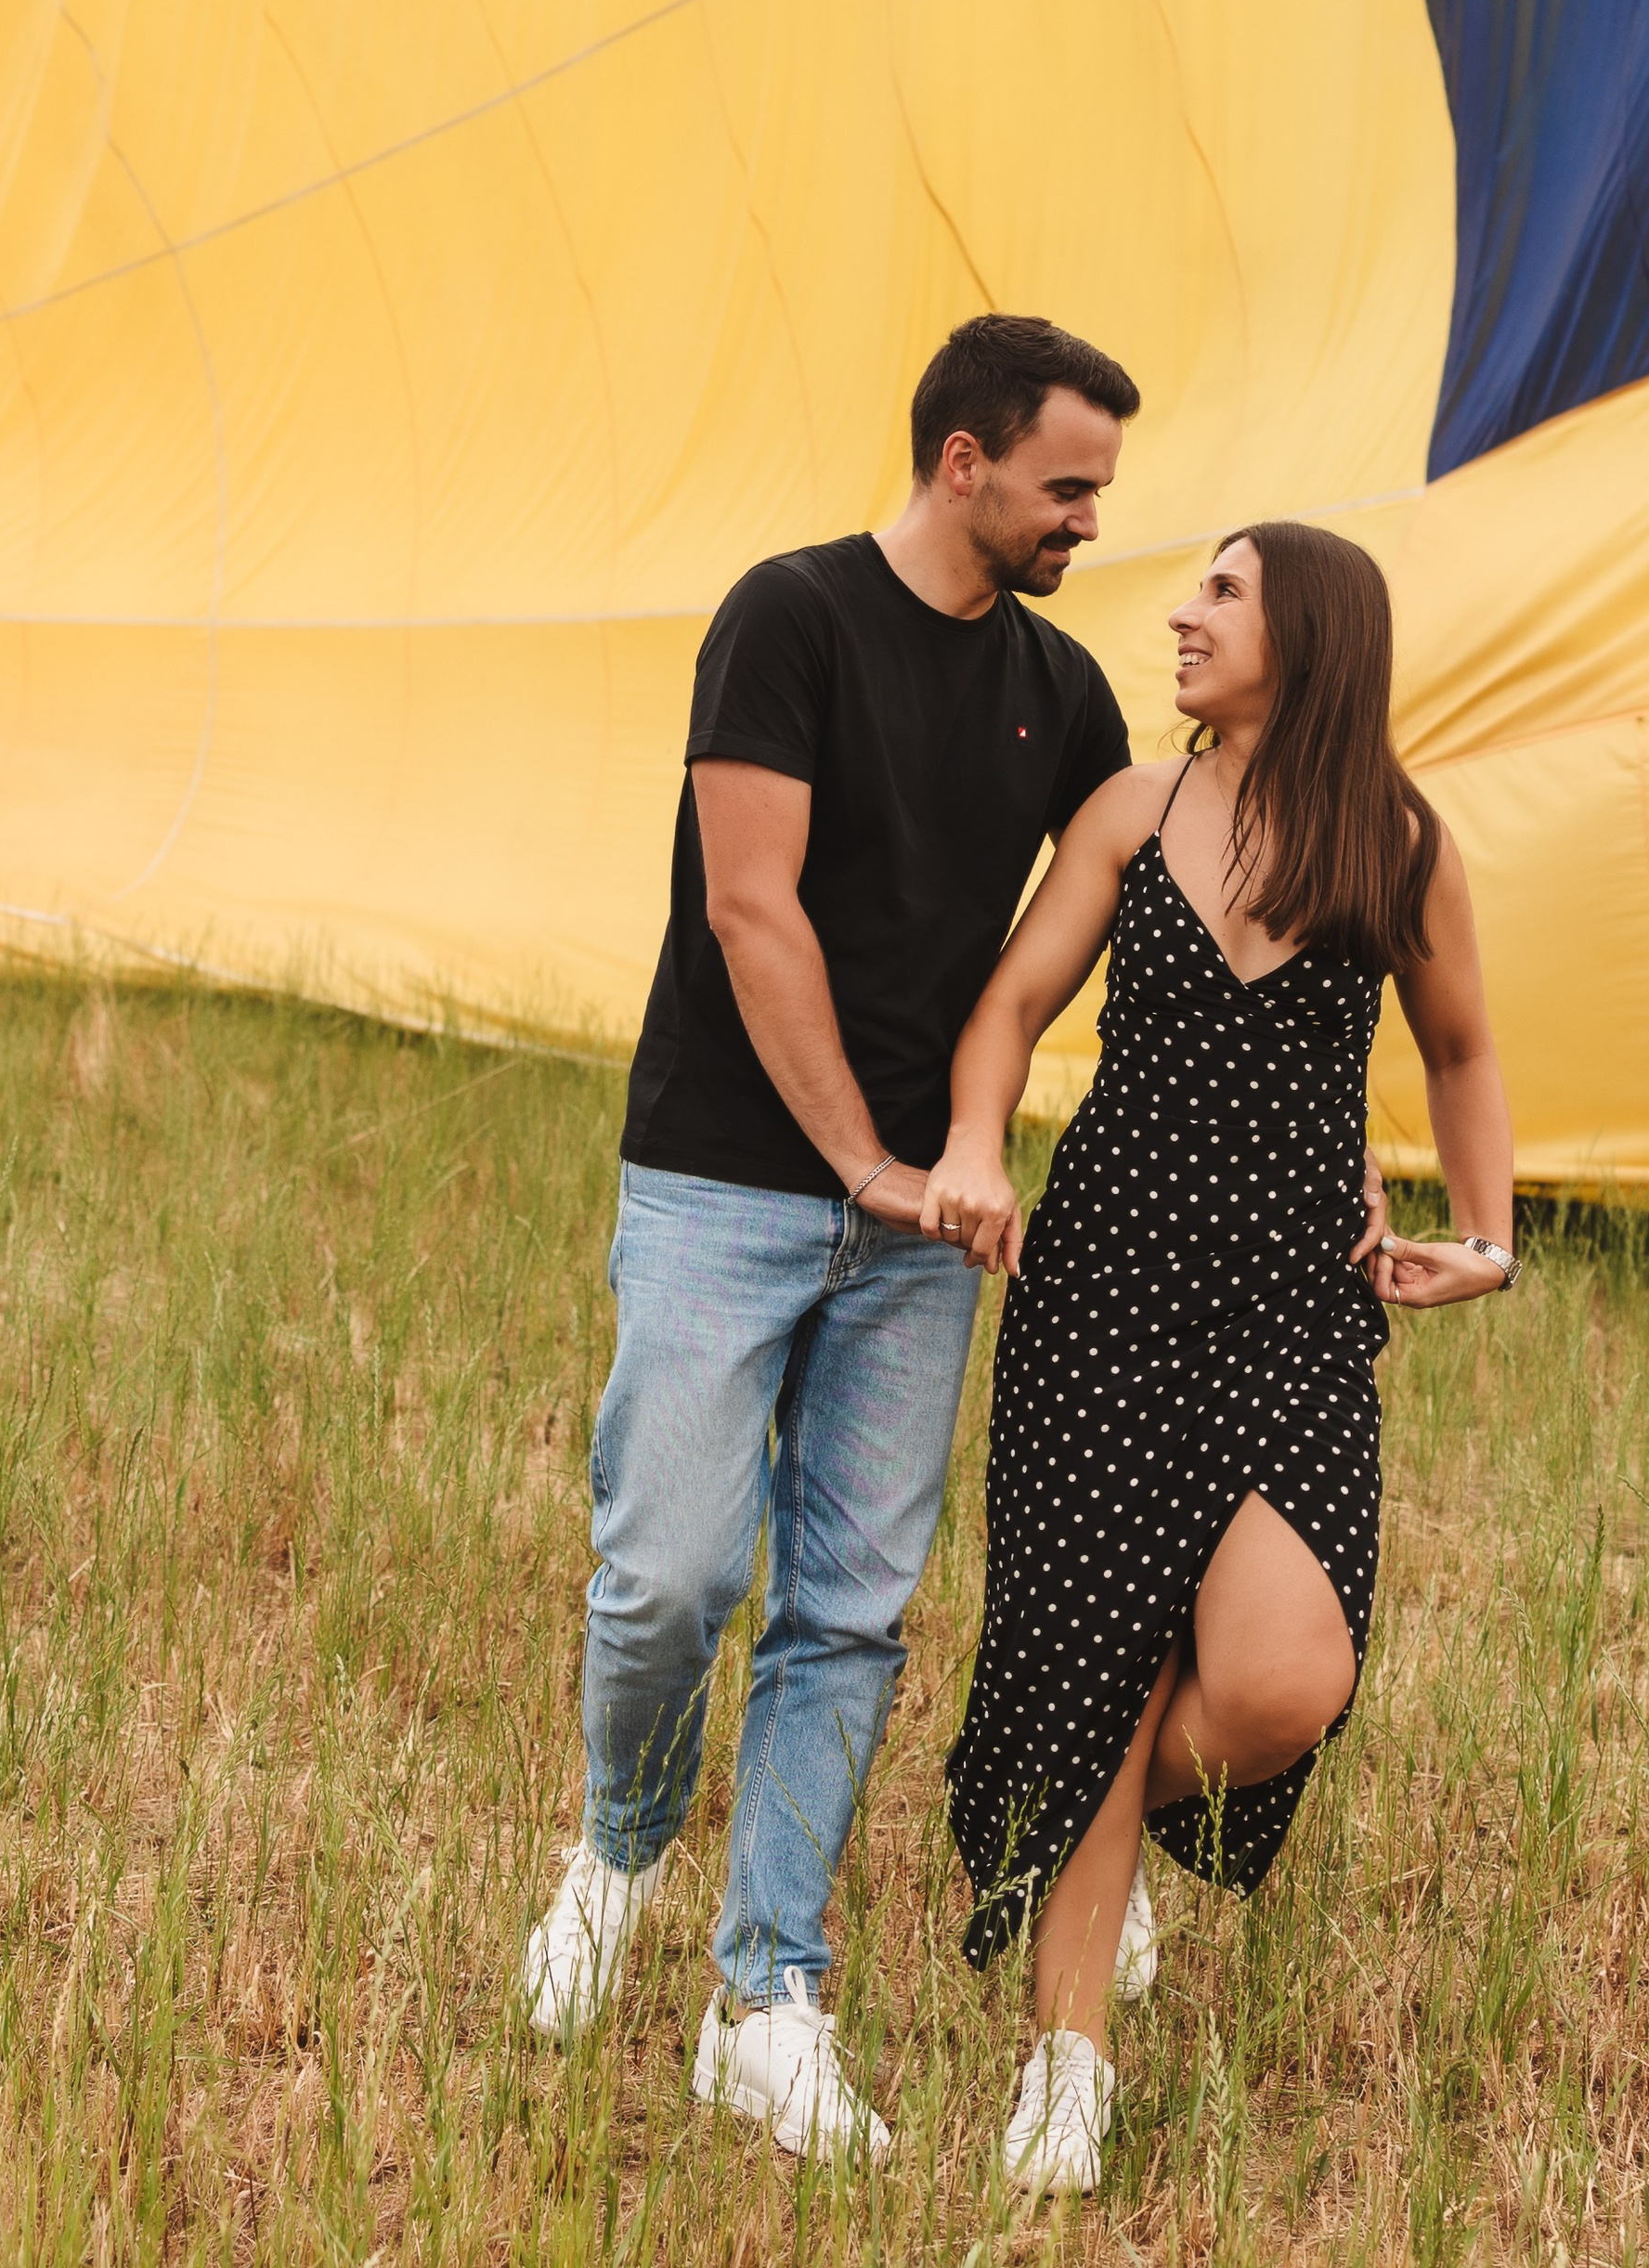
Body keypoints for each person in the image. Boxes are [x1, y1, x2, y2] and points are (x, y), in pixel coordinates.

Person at [521, 314, 1140, 2164]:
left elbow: (1150, 885)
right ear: (964, 461)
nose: (1088, 521)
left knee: (849, 1615)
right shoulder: (784, 619)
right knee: (673, 1577)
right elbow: (748, 908)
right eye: (1065, 486)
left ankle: (764, 1992)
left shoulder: (1068, 695)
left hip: (914, 1224)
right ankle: (615, 1858)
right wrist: (864, 1163)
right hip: (728, 1178)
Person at [929, 519, 1518, 2197]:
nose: (1182, 614)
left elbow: (1465, 1043)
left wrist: (1487, 1233)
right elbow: (1008, 1007)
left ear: (1312, 635)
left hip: (1295, 1320)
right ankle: (1069, 2061)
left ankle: (1063, 1840)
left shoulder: (1399, 842)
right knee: (1108, 1673)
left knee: (1280, 1686)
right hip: (1107, 1294)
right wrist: (979, 1146)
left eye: (1222, 593)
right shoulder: (1136, 808)